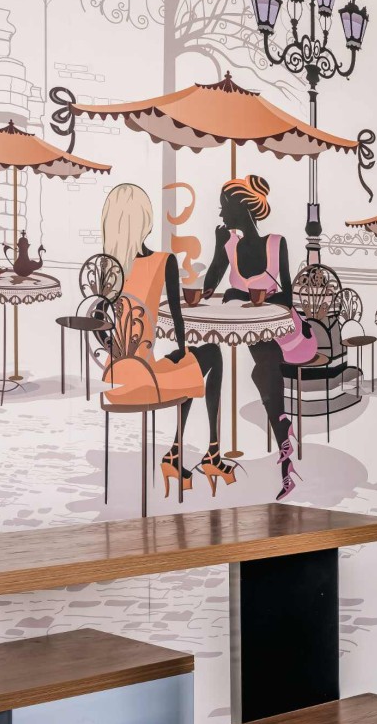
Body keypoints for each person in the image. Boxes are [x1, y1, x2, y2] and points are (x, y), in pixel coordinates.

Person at [99, 183, 206, 493]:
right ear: (145, 220)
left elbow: (98, 324)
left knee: (180, 363)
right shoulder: (164, 261)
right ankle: (181, 453)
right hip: (145, 380)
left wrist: (118, 350)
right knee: (205, 356)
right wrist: (182, 352)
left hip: (112, 380)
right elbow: (177, 318)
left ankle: (177, 455)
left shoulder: (106, 267)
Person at [202, 174, 296, 498]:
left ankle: (284, 452)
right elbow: (208, 287)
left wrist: (253, 299)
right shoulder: (228, 244)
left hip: (269, 331)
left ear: (242, 207)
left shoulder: (276, 243)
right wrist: (217, 247)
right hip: (239, 330)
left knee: (265, 369)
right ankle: (220, 447)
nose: (220, 213)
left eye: (224, 206)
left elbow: (288, 297)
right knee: (223, 359)